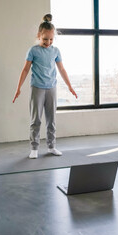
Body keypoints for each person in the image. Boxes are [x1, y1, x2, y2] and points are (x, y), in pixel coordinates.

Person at [12, 13, 77, 159]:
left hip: (51, 88)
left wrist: (70, 86)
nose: (48, 42)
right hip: (37, 88)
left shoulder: (55, 51)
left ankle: (51, 146)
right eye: (45, 39)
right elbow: (25, 69)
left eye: (51, 39)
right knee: (36, 119)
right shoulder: (33, 50)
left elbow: (61, 69)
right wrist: (18, 88)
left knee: (51, 119)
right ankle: (34, 148)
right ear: (39, 36)